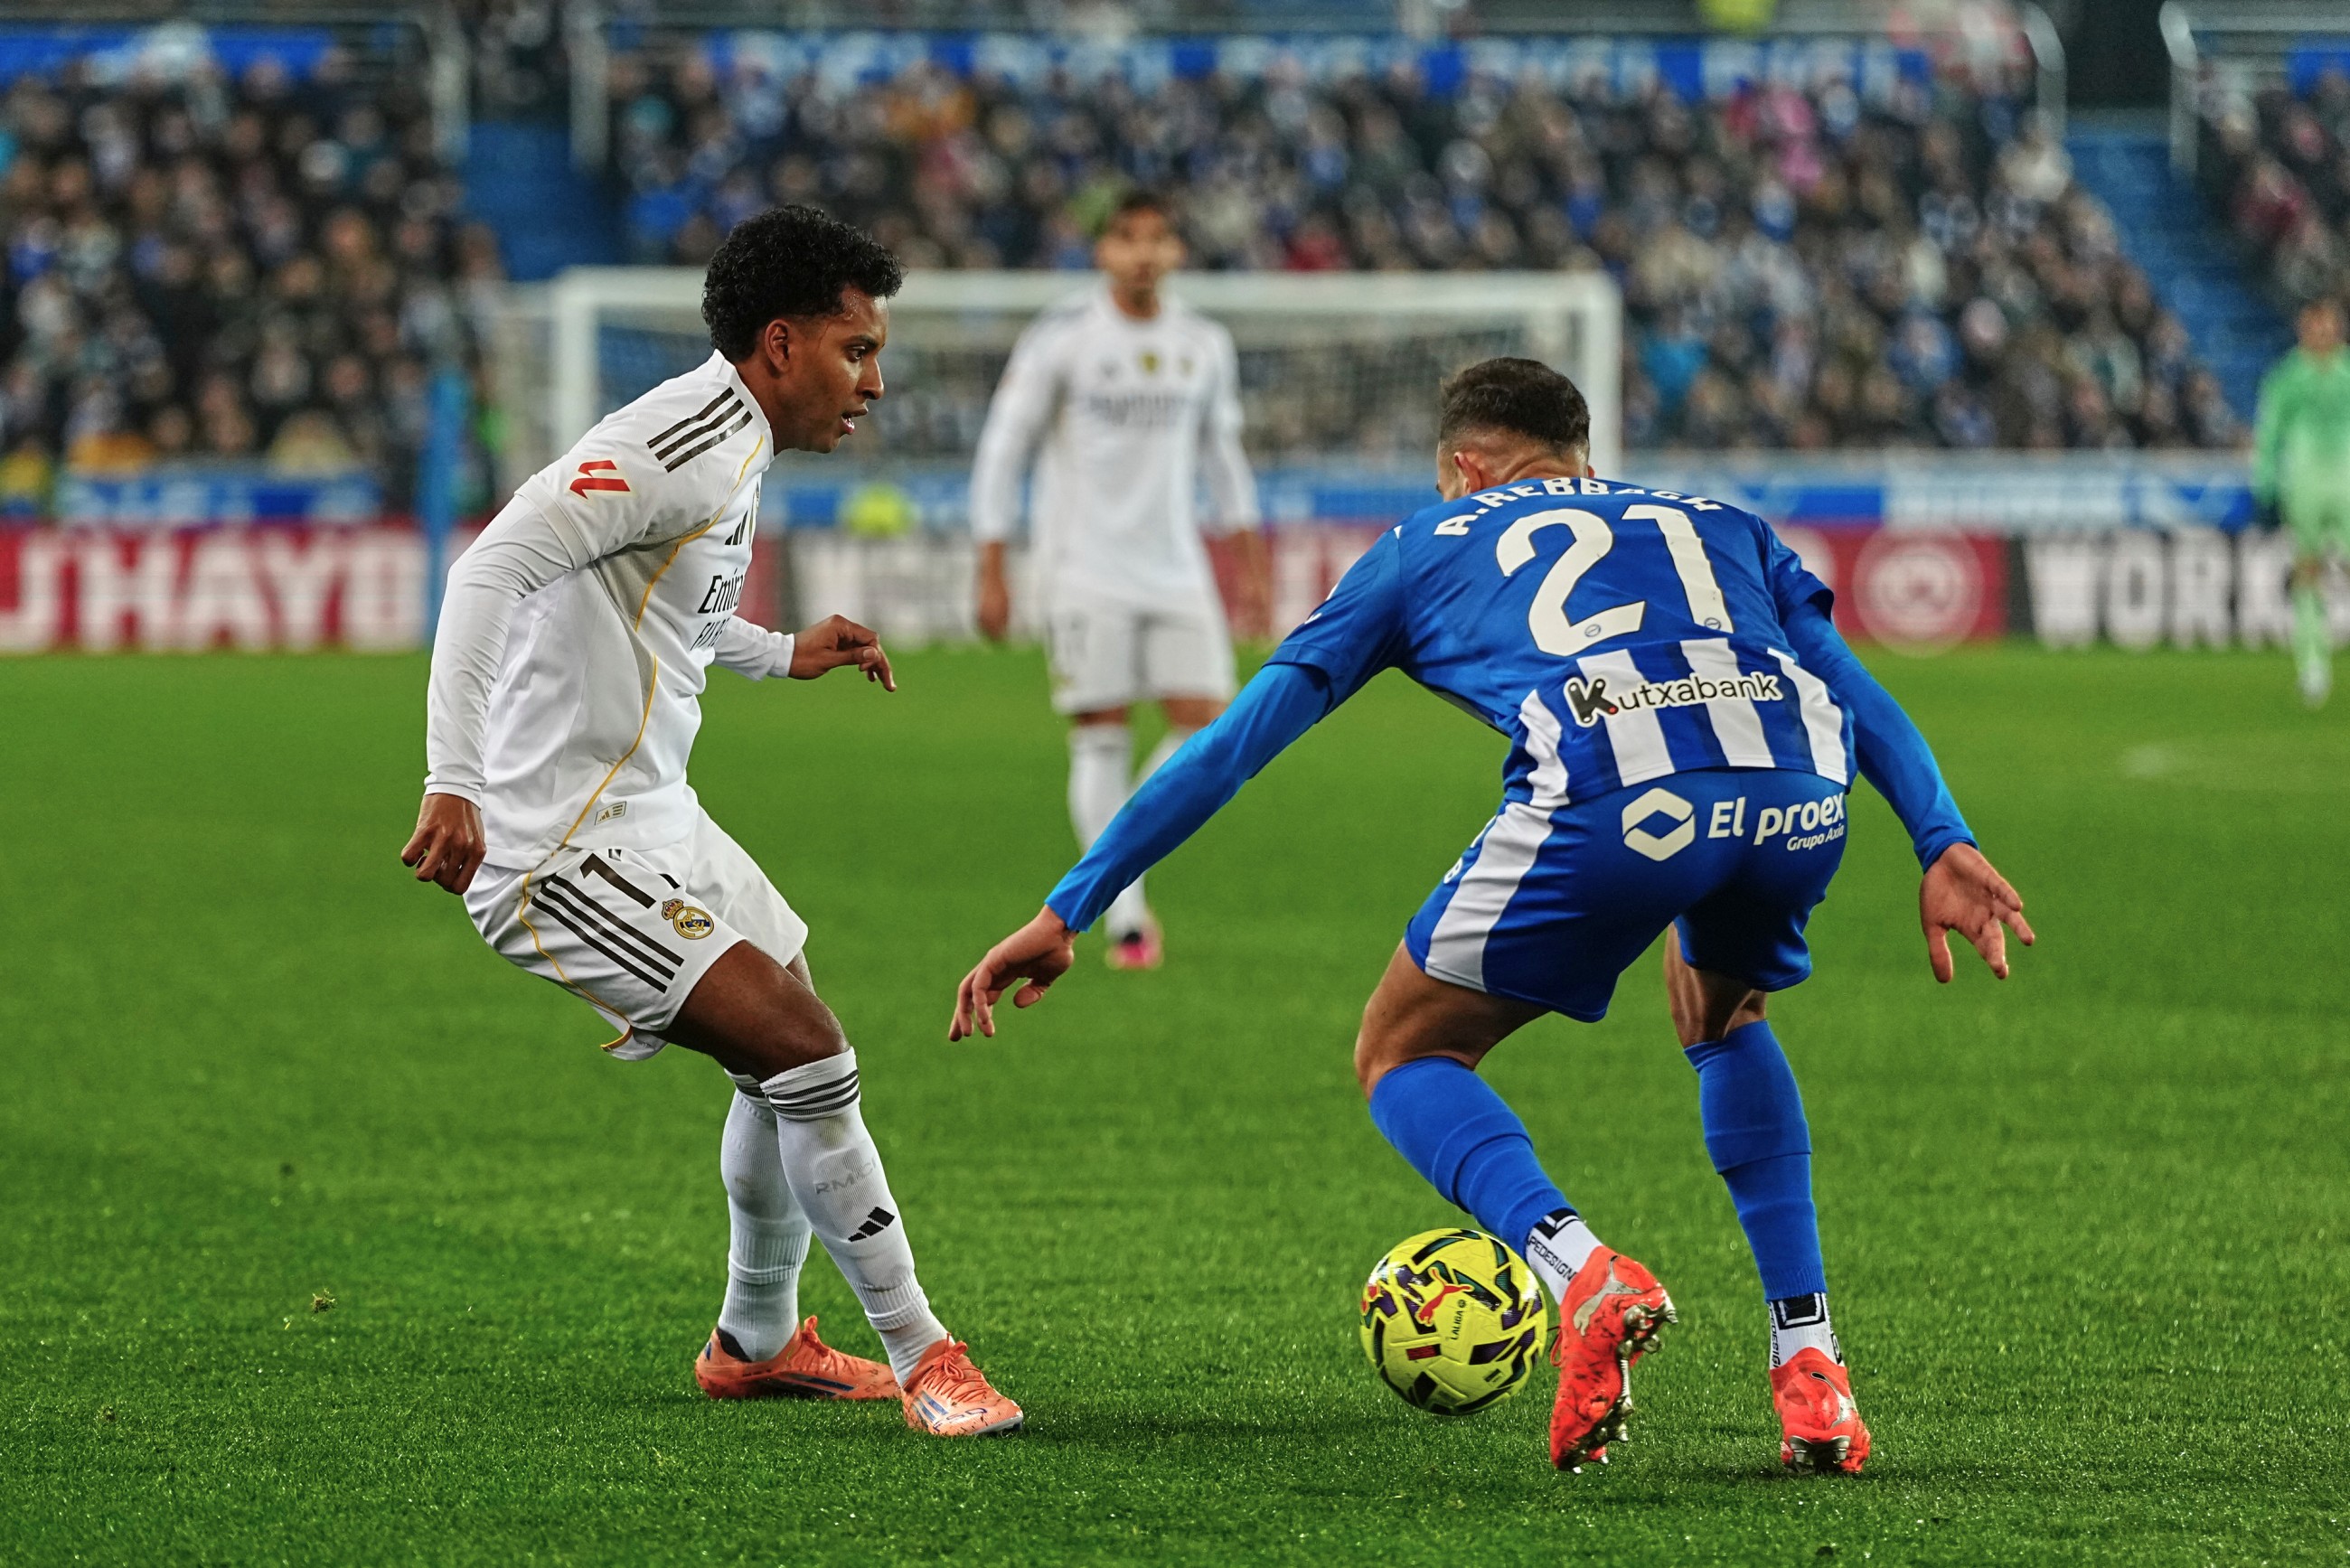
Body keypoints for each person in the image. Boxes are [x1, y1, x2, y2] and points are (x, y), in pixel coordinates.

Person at [950, 358, 2033, 1474]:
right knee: (1724, 1012)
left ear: (1461, 467)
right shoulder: (1717, 519)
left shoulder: (1425, 541)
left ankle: (1581, 1274)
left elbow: (1232, 745)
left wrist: (1072, 903)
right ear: (1584, 459)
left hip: (1613, 788)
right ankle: (1810, 1367)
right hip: (1800, 786)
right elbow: (1851, 689)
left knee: (1403, 1047)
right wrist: (1939, 836)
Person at [400, 205, 1020, 1438]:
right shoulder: (670, 443)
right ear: (782, 345)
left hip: (653, 813)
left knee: (778, 1026)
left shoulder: (730, 447)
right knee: (808, 1045)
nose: (876, 382)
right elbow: (489, 570)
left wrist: (783, 650)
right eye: (858, 351)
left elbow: (663, 606)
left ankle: (756, 1335)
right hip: (552, 841)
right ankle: (925, 1354)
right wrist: (454, 779)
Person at [968, 188, 1273, 971]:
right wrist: (992, 564)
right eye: (1127, 237)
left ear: (1176, 252)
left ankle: (1121, 877)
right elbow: (1005, 448)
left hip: (1176, 566)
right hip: (1084, 568)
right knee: (1100, 733)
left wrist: (1249, 562)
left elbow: (1223, 458)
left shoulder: (1203, 343)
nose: (1143, 252)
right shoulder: (1063, 338)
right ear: (1101, 249)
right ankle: (1127, 918)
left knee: (1209, 728)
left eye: (1158, 238)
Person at [2252, 296, 2350, 708]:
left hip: (2347, 482)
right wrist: (2266, 483)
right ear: (2303, 330)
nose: (2324, 332)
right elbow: (2270, 433)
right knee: (2307, 571)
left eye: (2330, 325)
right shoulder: (2287, 377)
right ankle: (2313, 664)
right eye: (2316, 325)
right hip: (2306, 484)